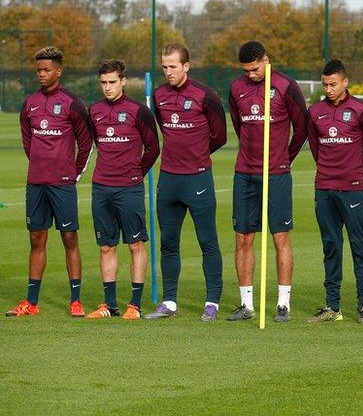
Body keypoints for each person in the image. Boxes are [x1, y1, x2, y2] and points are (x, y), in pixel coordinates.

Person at [7, 46, 93, 318]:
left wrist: (73, 173)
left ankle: (76, 301)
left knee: (69, 238)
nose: (41, 74)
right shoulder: (30, 103)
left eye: (46, 70)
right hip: (36, 183)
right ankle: (31, 303)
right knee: (36, 239)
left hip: (62, 184)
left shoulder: (72, 103)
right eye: (38, 70)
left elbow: (87, 143)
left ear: (59, 70)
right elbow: (27, 141)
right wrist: (39, 165)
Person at [226, 41, 308, 323]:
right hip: (245, 173)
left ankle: (283, 304)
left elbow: (302, 128)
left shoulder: (286, 87)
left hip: (276, 174)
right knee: (243, 238)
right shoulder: (236, 88)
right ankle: (246, 304)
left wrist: (285, 157)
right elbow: (239, 124)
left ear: (266, 60)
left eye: (255, 68)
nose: (251, 74)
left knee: (280, 237)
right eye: (246, 70)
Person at [143, 43, 226, 321]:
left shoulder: (206, 95)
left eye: (173, 67)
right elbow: (163, 129)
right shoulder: (159, 95)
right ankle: (169, 302)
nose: (168, 72)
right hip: (168, 180)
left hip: (198, 179)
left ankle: (212, 302)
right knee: (168, 242)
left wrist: (197, 156)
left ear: (186, 66)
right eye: (164, 67)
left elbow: (220, 136)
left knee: (207, 241)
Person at [85, 59, 160, 320]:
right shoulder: (93, 110)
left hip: (129, 190)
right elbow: (94, 142)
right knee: (106, 246)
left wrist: (137, 173)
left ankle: (135, 306)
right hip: (101, 187)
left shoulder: (138, 111)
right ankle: (109, 305)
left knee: (135, 244)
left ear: (123, 81)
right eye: (104, 83)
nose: (107, 87)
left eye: (112, 82)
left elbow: (153, 148)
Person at [306, 59, 363, 324]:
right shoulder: (314, 112)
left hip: (353, 191)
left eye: (333, 84)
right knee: (331, 246)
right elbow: (316, 149)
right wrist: (329, 173)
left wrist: (356, 176)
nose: (328, 89)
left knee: (359, 246)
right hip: (324, 189)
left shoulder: (361, 110)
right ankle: (332, 306)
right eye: (325, 84)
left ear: (345, 82)